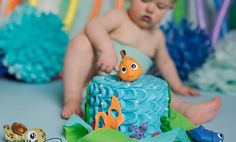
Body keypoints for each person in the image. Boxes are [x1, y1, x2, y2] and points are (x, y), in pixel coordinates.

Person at [62, 0, 221, 125]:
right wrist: (106, 49)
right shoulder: (119, 17)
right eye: (144, 0)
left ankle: (186, 110)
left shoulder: (157, 36)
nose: (150, 9)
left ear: (170, 7)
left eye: (160, 6)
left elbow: (165, 63)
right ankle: (72, 98)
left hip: (130, 93)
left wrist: (178, 85)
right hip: (94, 82)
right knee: (81, 42)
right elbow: (94, 25)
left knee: (159, 87)